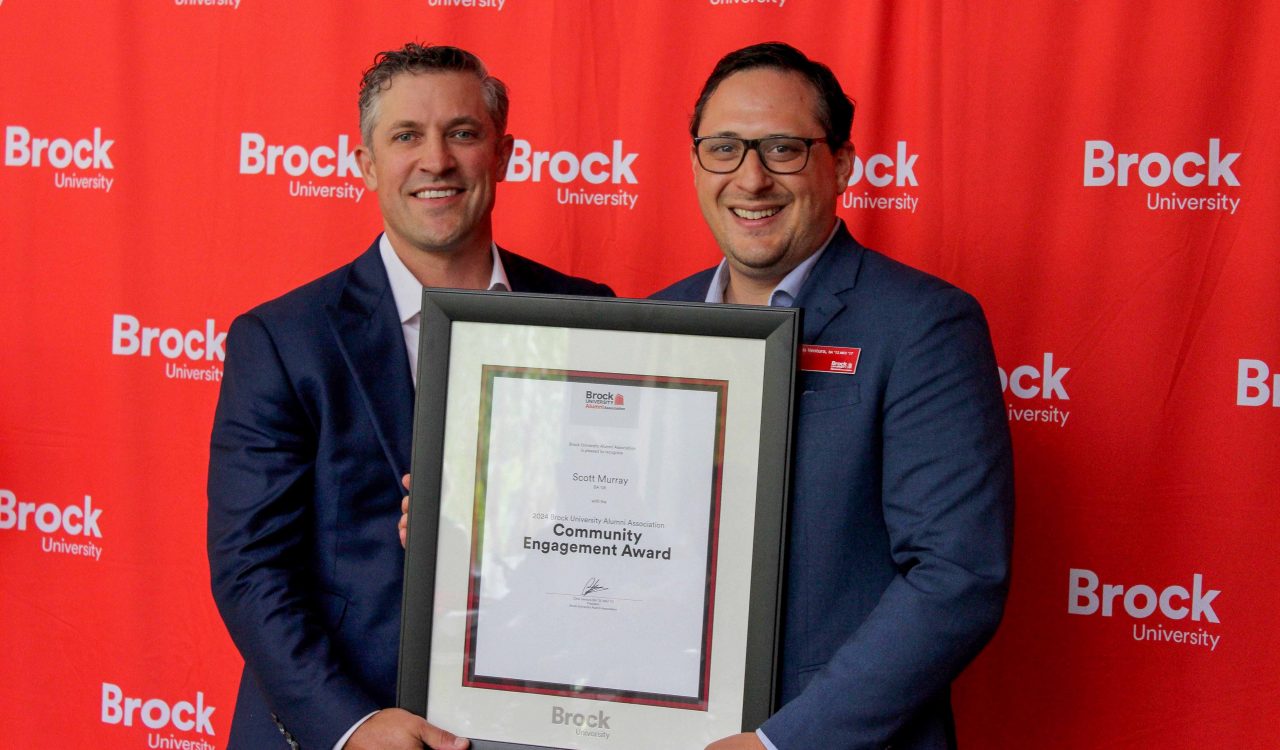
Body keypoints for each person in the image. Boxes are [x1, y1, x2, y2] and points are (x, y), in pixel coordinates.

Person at [207, 43, 612, 750]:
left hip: (542, 717)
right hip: (344, 721)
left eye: (462, 133)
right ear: (365, 165)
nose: (436, 161)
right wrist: (351, 725)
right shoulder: (282, 339)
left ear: (505, 154)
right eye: (406, 136)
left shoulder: (589, 315)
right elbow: (250, 568)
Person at [651, 43, 1014, 749]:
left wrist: (785, 743)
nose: (750, 179)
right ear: (696, 161)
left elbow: (955, 575)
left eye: (783, 148)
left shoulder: (922, 325)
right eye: (724, 148)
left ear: (842, 164)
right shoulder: (653, 320)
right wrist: (482, 529)